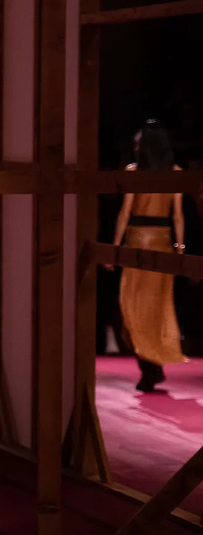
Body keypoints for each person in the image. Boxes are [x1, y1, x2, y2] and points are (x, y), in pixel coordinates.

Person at [109, 119, 187, 392]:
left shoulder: (134, 172)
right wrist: (180, 248)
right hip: (162, 243)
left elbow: (125, 213)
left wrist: (115, 248)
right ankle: (152, 365)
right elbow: (178, 216)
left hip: (137, 243)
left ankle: (149, 366)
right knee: (155, 306)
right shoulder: (175, 173)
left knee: (132, 305)